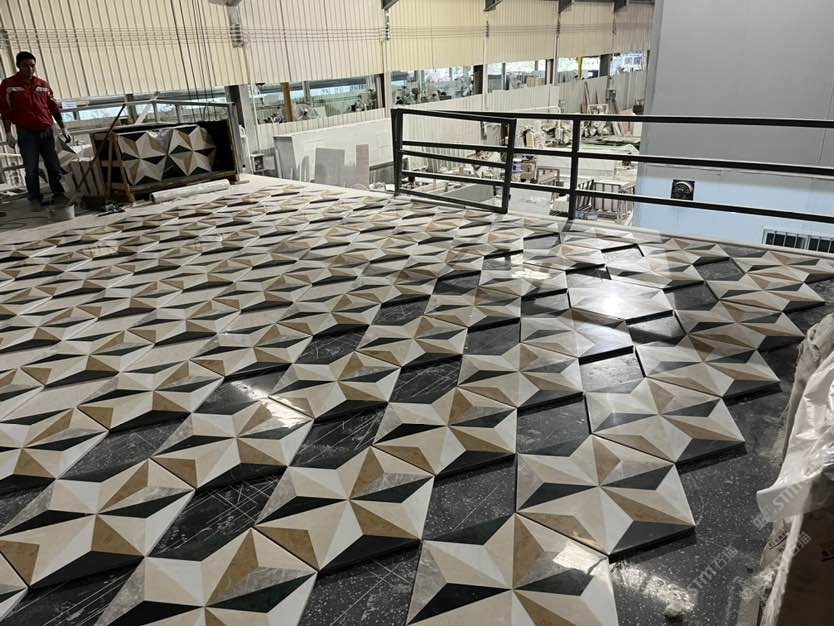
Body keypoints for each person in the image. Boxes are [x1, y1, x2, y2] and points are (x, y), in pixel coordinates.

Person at [0, 51, 71, 205]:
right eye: (25, 66)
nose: (30, 69)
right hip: (26, 133)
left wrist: (63, 128)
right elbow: (5, 110)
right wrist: (8, 133)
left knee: (53, 165)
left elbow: (53, 107)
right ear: (18, 66)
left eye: (32, 66)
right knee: (31, 168)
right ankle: (35, 198)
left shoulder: (43, 85)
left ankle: (58, 194)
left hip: (47, 131)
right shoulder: (8, 85)